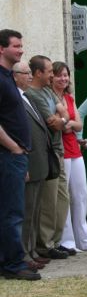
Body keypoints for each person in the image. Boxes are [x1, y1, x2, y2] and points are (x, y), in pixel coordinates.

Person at [1, 29, 38, 280]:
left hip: (15, 157)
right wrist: (13, 147)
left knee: (10, 211)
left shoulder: (6, 78)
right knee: (12, 212)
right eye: (16, 46)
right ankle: (14, 264)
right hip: (8, 155)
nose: (21, 49)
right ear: (1, 49)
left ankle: (8, 261)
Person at [25, 55, 70, 259]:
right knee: (48, 202)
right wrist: (62, 120)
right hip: (48, 151)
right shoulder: (32, 95)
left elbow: (65, 115)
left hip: (58, 151)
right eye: (50, 71)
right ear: (38, 73)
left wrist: (62, 120)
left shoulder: (48, 91)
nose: (52, 75)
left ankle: (55, 241)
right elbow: (53, 121)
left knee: (62, 199)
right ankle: (45, 244)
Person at [13, 61, 52, 272]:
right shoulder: (15, 99)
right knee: (26, 211)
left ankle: (32, 249)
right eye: (25, 73)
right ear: (15, 76)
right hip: (28, 161)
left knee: (35, 210)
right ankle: (24, 253)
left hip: (39, 162)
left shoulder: (27, 97)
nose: (29, 76)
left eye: (30, 72)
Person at [52, 61, 87, 252]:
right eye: (60, 75)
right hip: (61, 151)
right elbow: (57, 125)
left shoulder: (69, 98)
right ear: (51, 77)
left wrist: (67, 123)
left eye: (66, 75)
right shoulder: (49, 98)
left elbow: (78, 124)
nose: (64, 78)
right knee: (64, 197)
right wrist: (68, 123)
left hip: (74, 150)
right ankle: (68, 241)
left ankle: (84, 239)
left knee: (80, 194)